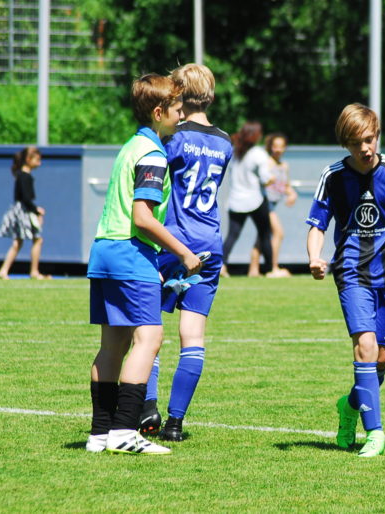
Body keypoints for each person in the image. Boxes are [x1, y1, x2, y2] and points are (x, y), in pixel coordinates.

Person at [306, 103, 385, 457]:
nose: (364, 149)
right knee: (364, 345)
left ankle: (349, 407)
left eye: (368, 140)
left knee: (382, 359)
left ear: (377, 135)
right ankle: (374, 431)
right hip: (351, 271)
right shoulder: (333, 176)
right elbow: (317, 225)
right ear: (345, 144)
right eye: (355, 143)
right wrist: (315, 257)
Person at [85, 73, 202, 455]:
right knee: (149, 338)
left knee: (113, 344)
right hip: (129, 253)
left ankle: (100, 433)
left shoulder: (131, 146)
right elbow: (143, 217)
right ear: (158, 112)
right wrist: (183, 253)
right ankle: (124, 431)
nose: (181, 116)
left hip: (104, 251)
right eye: (177, 110)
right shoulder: (154, 155)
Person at [138, 63, 233, 442]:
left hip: (171, 242)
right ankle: (176, 423)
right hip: (209, 242)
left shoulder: (173, 137)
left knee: (149, 331)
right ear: (210, 93)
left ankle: (149, 408)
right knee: (192, 335)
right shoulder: (225, 142)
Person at [220, 122, 276, 277]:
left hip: (235, 200)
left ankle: (221, 266)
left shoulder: (235, 151)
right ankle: (271, 269)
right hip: (255, 200)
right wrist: (273, 179)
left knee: (232, 235)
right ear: (256, 136)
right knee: (265, 233)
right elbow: (266, 178)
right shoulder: (258, 153)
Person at [0, 146, 51, 280]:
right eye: (37, 160)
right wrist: (37, 211)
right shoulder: (24, 176)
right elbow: (26, 198)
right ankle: (33, 271)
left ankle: (4, 271)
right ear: (28, 159)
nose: (39, 163)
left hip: (21, 209)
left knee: (19, 242)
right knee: (37, 239)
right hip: (23, 211)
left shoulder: (22, 175)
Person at [247, 133, 297, 277]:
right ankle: (273, 268)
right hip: (264, 203)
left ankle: (253, 270)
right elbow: (263, 181)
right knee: (278, 233)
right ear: (270, 147)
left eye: (281, 147)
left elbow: (285, 185)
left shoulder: (284, 166)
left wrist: (292, 193)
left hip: (273, 204)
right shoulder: (267, 163)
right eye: (275, 146)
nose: (278, 149)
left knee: (261, 237)